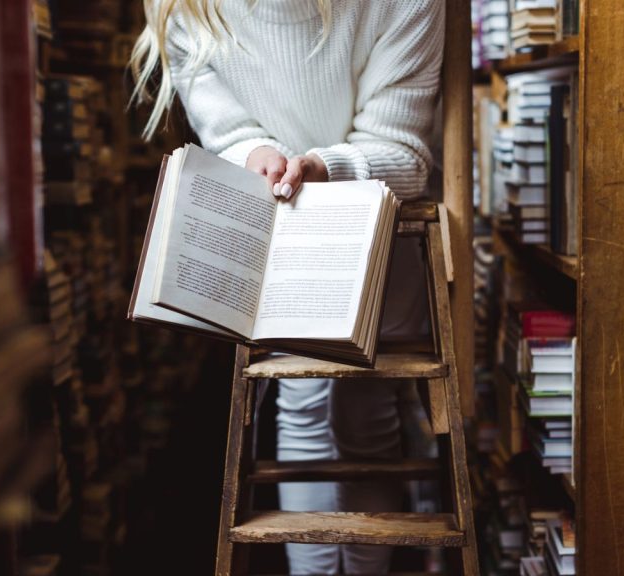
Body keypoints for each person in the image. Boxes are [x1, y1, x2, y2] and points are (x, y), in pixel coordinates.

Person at [132, 1, 443, 573]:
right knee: (303, 406)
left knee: (364, 409)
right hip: (274, 240)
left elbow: (403, 153)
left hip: (377, 239)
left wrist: (321, 166)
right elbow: (228, 132)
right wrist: (254, 153)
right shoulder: (183, 8)